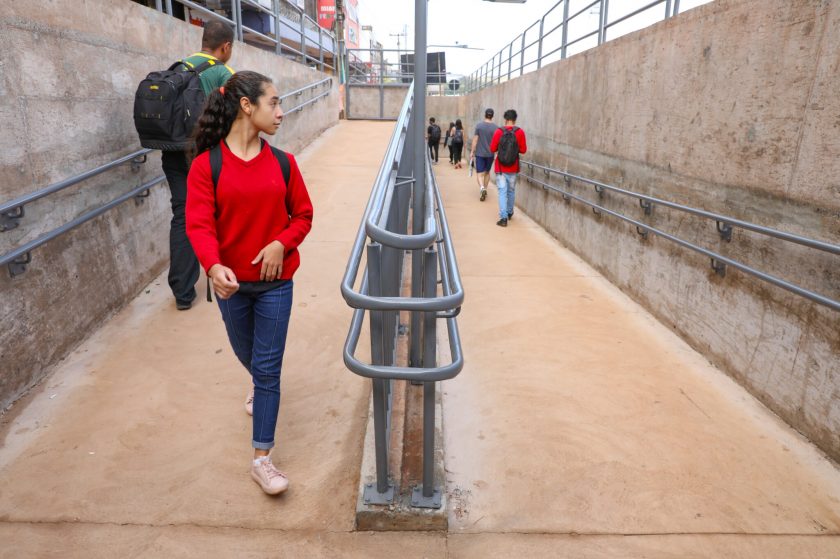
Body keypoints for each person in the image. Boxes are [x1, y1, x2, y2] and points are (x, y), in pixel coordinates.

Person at [186, 71, 314, 495]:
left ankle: (262, 459)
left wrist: (282, 242)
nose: (281, 112)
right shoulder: (208, 166)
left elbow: (304, 216)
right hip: (232, 286)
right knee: (250, 356)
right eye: (273, 103)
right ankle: (256, 385)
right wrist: (211, 265)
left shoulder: (284, 163)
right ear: (247, 106)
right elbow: (199, 224)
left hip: (277, 285)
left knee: (267, 367)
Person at [161, 20, 235, 310]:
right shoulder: (222, 71)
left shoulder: (177, 66)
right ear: (225, 46)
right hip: (205, 155)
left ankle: (182, 291)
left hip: (172, 152)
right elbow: (238, 114)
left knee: (183, 214)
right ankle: (225, 272)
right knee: (220, 211)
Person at [490, 109, 527, 227]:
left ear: (505, 119)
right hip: (514, 167)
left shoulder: (499, 131)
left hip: (500, 167)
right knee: (511, 191)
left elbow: (492, 149)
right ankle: (510, 212)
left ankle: (503, 218)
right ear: (515, 119)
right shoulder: (520, 132)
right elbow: (523, 150)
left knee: (502, 192)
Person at [469, 108, 497, 202]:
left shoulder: (479, 126)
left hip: (480, 154)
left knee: (479, 174)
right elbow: (496, 142)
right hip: (490, 154)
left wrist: (472, 152)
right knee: (487, 173)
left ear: (485, 115)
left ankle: (482, 188)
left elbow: (475, 140)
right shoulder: (495, 128)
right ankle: (485, 188)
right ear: (492, 116)